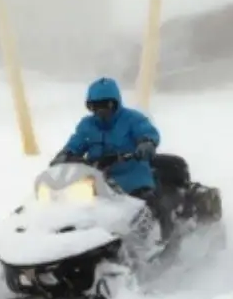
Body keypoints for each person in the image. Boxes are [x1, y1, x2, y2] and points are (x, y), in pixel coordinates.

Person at [50, 76, 173, 240]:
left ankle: (163, 240)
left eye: (105, 105)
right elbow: (76, 143)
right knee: (72, 207)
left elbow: (147, 132)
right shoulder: (87, 125)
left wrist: (146, 143)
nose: (100, 111)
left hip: (132, 174)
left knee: (147, 205)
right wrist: (64, 156)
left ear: (115, 103)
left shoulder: (132, 119)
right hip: (98, 179)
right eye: (95, 106)